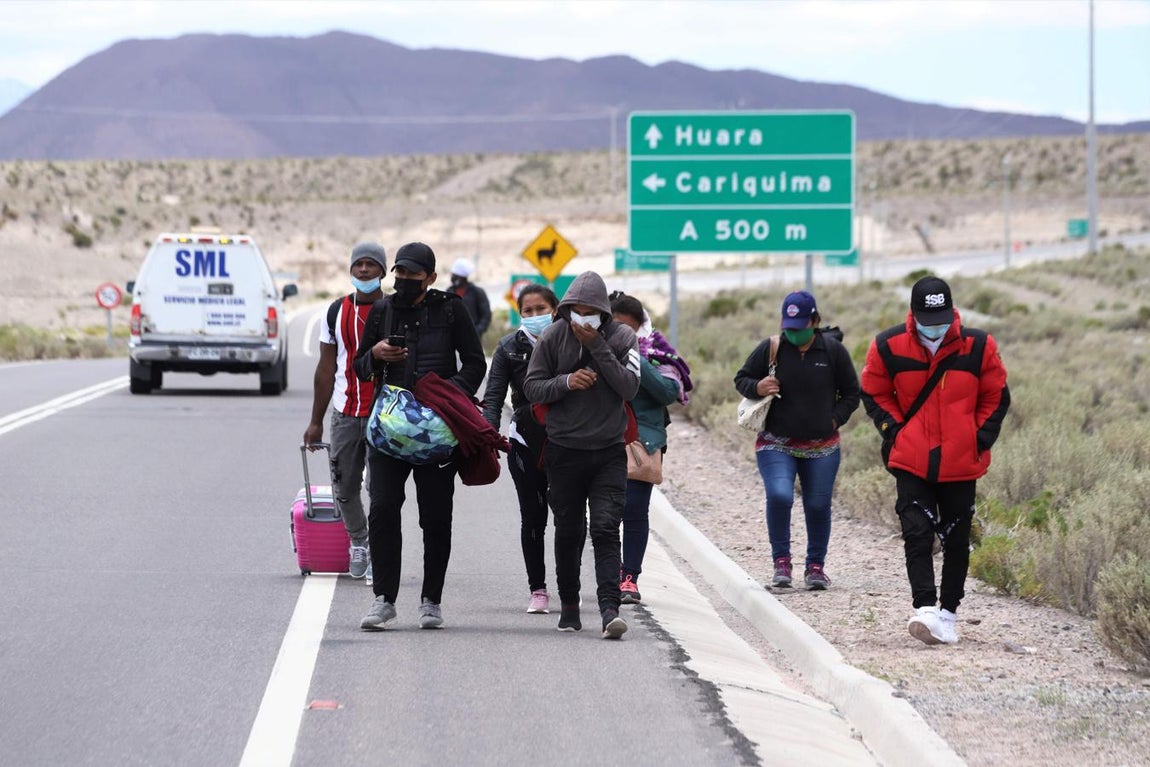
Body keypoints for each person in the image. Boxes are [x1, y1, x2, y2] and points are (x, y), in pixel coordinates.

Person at [860, 276, 1009, 645]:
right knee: (916, 531)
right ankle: (925, 609)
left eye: (942, 318)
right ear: (913, 314)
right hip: (912, 458)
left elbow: (996, 396)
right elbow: (874, 391)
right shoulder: (887, 345)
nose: (936, 326)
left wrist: (978, 438)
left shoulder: (978, 346)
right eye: (929, 319)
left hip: (961, 460)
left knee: (957, 539)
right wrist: (894, 430)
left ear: (952, 311)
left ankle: (948, 615)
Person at [353, 242, 487, 631]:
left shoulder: (451, 308)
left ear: (430, 277)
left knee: (435, 517)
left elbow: (475, 363)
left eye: (413, 275)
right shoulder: (382, 309)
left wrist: (448, 397)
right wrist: (377, 354)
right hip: (389, 431)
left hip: (436, 432)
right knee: (382, 509)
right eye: (399, 274)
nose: (404, 281)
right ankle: (383, 599)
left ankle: (432, 600)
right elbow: (361, 368)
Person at [523, 271, 640, 639]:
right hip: (564, 452)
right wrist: (567, 382)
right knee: (569, 530)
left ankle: (609, 611)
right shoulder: (553, 336)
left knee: (606, 528)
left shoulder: (623, 337)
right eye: (577, 310)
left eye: (592, 312)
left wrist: (599, 350)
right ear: (567, 310)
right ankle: (570, 606)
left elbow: (630, 386)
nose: (583, 317)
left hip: (608, 451)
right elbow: (531, 387)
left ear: (604, 313)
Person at [734, 290, 860, 591]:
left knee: (818, 505)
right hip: (776, 441)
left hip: (822, 446)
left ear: (815, 320)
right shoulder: (772, 348)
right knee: (780, 495)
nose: (794, 333)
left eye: (801, 326)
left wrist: (834, 419)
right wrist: (758, 385)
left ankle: (816, 567)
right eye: (789, 327)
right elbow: (741, 379)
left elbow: (853, 393)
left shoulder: (833, 352)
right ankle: (782, 563)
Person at [302, 241, 386, 582]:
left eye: (370, 264)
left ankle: (381, 555)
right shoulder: (335, 312)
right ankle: (360, 542)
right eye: (358, 264)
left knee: (381, 491)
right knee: (345, 487)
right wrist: (315, 422)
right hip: (345, 413)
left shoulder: (394, 309)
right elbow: (325, 370)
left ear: (382, 270)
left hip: (386, 415)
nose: (363, 269)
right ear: (351, 270)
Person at [609, 291, 693, 605]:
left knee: (633, 510)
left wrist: (635, 359)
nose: (621, 335)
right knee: (603, 515)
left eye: (627, 330)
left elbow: (669, 391)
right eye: (615, 327)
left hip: (642, 442)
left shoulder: (656, 351)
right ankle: (606, 574)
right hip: (599, 438)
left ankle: (629, 577)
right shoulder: (591, 348)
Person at [481, 284, 559, 614]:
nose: (535, 315)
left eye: (541, 309)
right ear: (518, 313)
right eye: (527, 310)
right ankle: (538, 589)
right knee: (533, 517)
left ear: (555, 309)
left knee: (569, 518)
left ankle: (571, 585)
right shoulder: (508, 347)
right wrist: (487, 434)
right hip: (525, 443)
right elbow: (495, 396)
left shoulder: (569, 342)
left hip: (569, 442)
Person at [449, 257, 492, 337]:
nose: (452, 278)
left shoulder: (477, 292)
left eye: (455, 276)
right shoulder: (449, 292)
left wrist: (477, 331)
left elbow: (486, 315)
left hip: (473, 338)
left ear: (462, 277)